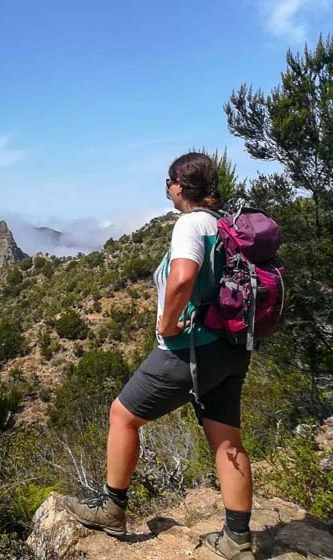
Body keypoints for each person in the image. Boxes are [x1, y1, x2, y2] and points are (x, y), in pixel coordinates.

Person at [63, 152, 255, 560]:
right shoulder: (225, 224)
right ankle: (238, 538)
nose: (166, 189)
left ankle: (112, 508)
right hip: (230, 349)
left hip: (189, 348)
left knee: (122, 415)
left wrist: (168, 325)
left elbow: (184, 276)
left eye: (168, 183)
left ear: (180, 187)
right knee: (228, 443)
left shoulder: (190, 224)